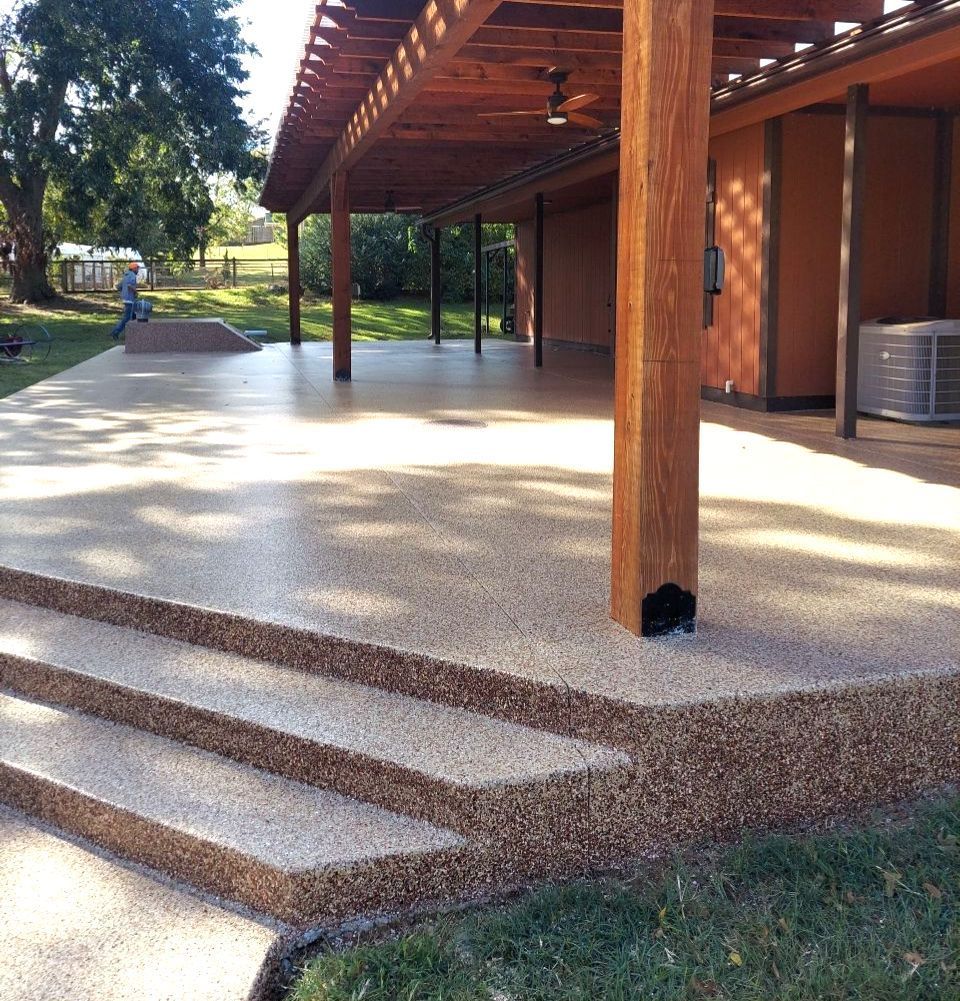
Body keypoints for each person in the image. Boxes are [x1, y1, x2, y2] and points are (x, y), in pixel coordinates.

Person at [111, 262, 140, 340]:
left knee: (134, 316)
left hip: (126, 298)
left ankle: (135, 333)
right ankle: (115, 332)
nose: (138, 270)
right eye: (137, 268)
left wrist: (124, 292)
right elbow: (130, 285)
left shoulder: (126, 275)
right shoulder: (132, 275)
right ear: (134, 268)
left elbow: (118, 287)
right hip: (130, 299)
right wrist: (135, 292)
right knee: (127, 318)